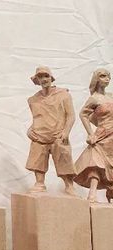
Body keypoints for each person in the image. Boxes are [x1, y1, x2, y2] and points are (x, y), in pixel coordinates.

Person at [25, 66, 75, 195]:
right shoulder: (33, 100)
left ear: (51, 78)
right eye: (40, 77)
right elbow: (38, 118)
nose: (44, 79)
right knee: (37, 158)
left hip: (58, 134)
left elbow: (70, 115)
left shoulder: (63, 95)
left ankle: (69, 185)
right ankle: (39, 183)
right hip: (39, 135)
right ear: (37, 80)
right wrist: (30, 130)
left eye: (46, 76)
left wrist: (66, 131)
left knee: (63, 158)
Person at [74, 68, 113, 202]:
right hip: (102, 135)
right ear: (96, 79)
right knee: (95, 162)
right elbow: (83, 114)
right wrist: (90, 133)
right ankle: (92, 194)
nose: (107, 79)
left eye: (108, 76)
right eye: (103, 76)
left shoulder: (111, 96)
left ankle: (110, 191)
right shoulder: (94, 98)